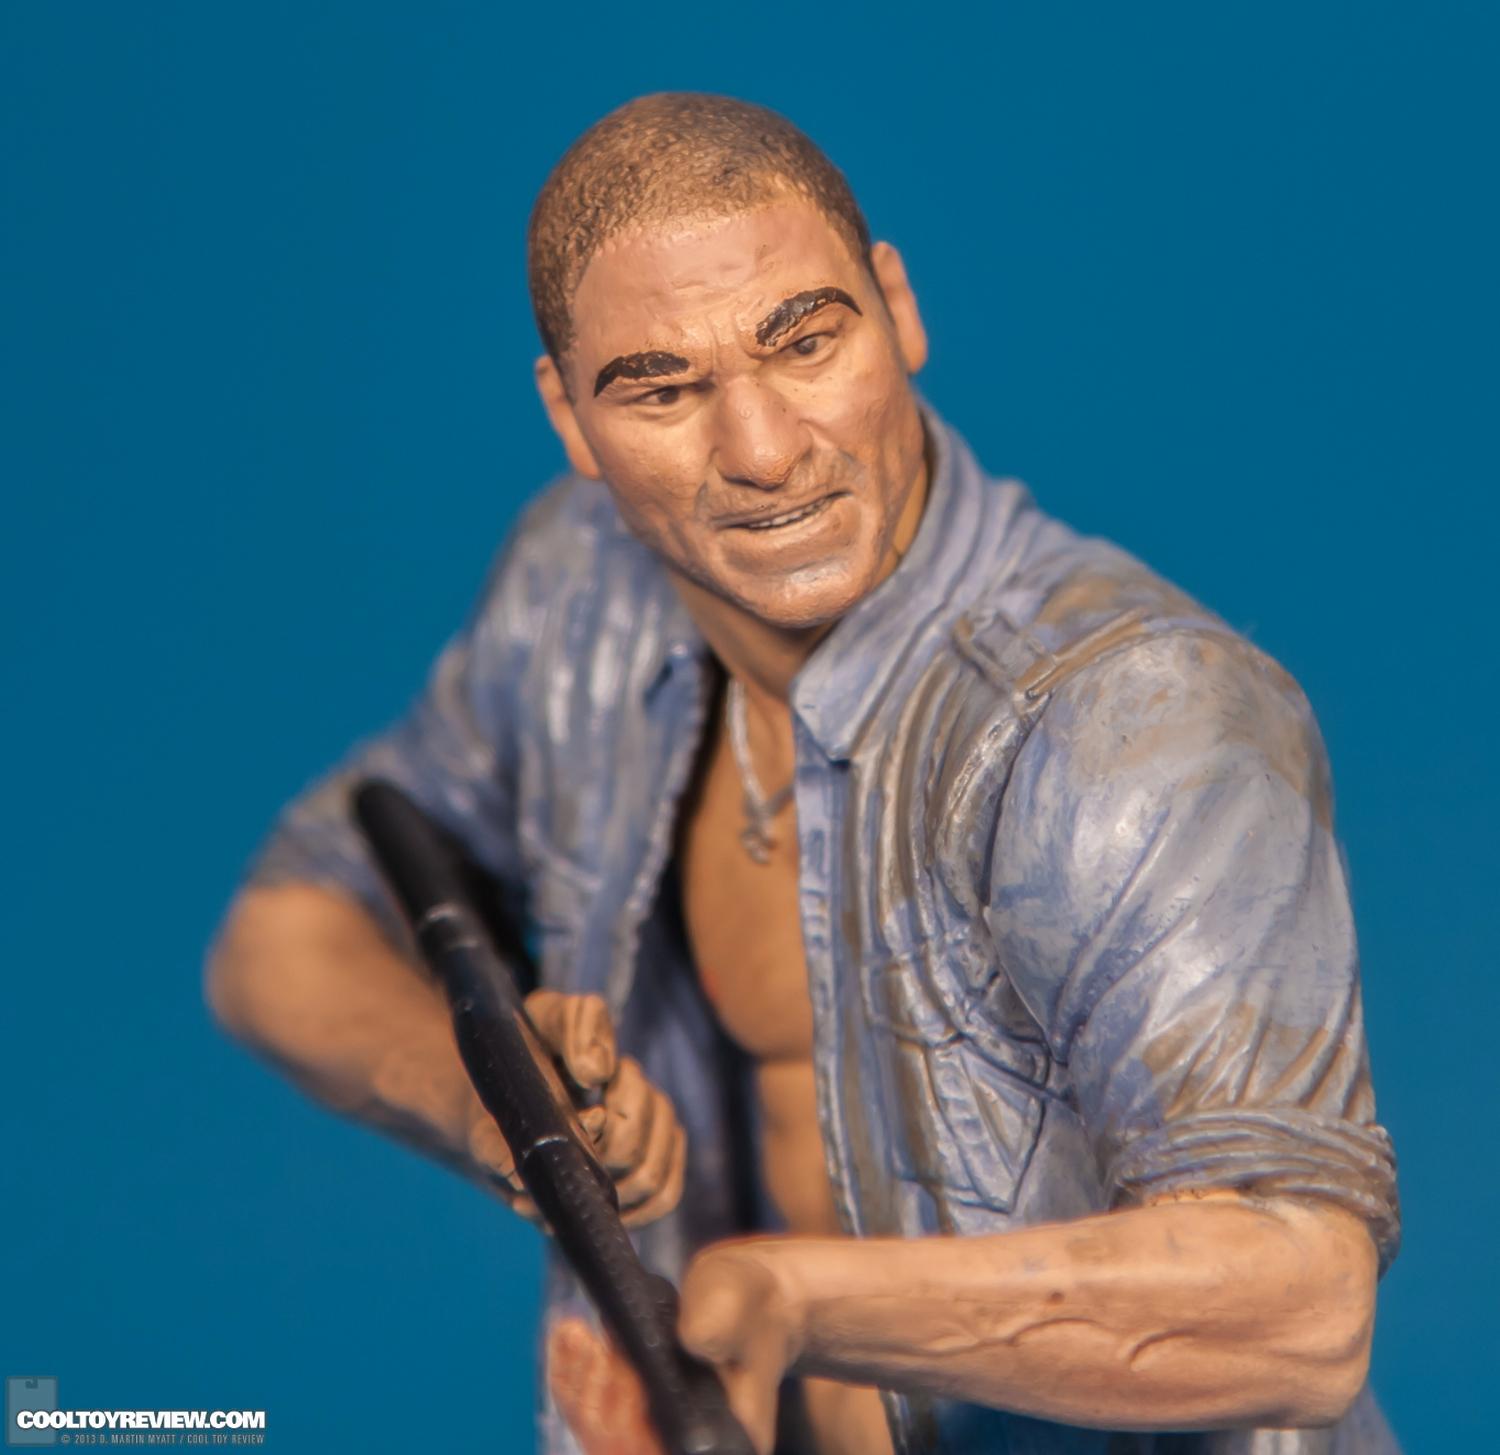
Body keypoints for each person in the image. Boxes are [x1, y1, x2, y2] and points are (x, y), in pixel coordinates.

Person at [206, 93, 1401, 1455]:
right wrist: (492, 1103)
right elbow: (280, 938)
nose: (765, 452)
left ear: (898, 309)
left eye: (807, 341)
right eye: (662, 390)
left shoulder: (1134, 717)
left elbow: (1303, 1309)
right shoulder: (575, 595)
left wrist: (794, 1299)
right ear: (571, 418)